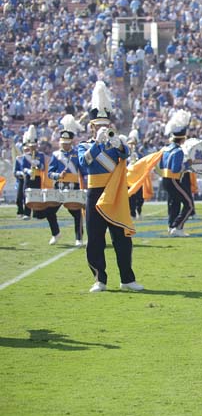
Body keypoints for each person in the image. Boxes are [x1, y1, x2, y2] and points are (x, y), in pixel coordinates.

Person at [77, 80, 142, 293]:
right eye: (98, 126)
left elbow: (126, 155)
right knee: (95, 239)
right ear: (92, 127)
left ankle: (127, 279)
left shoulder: (116, 142)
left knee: (122, 237)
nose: (103, 129)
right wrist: (97, 143)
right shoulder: (84, 146)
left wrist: (119, 144)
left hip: (115, 194)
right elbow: (83, 163)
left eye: (105, 126)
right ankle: (99, 279)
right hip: (95, 193)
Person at [48, 115, 87, 246]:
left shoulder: (77, 153)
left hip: (73, 186)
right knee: (49, 211)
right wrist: (58, 175)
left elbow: (83, 171)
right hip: (58, 186)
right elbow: (49, 173)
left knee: (76, 213)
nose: (64, 145)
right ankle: (56, 233)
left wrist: (86, 185)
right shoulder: (56, 155)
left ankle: (79, 238)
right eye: (62, 143)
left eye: (66, 143)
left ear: (71, 142)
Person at [158, 110, 194, 237]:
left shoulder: (166, 149)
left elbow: (161, 166)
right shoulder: (178, 151)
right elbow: (175, 169)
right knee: (189, 204)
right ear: (183, 138)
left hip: (165, 179)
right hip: (173, 179)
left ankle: (171, 225)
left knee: (174, 203)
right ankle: (177, 227)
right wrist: (187, 164)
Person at [126, 131, 144, 219]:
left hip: (138, 179)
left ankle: (139, 210)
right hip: (129, 179)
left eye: (134, 144)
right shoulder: (125, 155)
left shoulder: (139, 154)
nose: (132, 146)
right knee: (131, 197)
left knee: (140, 198)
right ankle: (132, 213)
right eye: (130, 144)